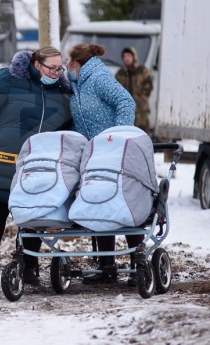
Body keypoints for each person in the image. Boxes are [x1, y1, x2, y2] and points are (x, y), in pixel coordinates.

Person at [0, 46, 73, 286]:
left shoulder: (63, 94)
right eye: (51, 68)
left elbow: (69, 131)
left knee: (34, 214)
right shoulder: (8, 79)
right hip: (2, 160)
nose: (57, 73)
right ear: (37, 65)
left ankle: (28, 266)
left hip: (38, 168)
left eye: (60, 68)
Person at [66, 42, 140, 285]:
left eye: (69, 63)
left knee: (122, 204)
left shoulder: (98, 78)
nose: (67, 67)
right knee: (99, 205)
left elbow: (126, 102)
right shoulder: (78, 85)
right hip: (93, 154)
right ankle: (106, 265)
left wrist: (118, 137)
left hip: (113, 152)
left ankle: (137, 263)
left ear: (76, 63)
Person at [115, 46, 153, 135]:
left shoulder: (142, 71)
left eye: (128, 56)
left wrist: (142, 97)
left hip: (141, 108)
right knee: (127, 131)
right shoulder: (120, 74)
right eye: (124, 56)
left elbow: (149, 85)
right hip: (126, 107)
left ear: (134, 57)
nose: (126, 58)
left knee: (142, 131)